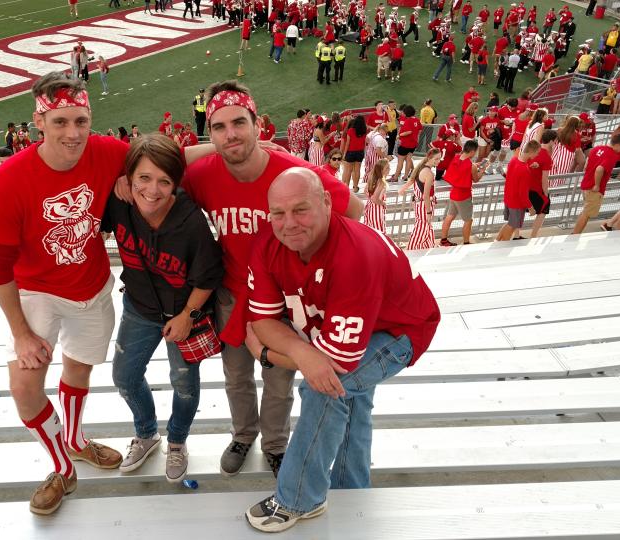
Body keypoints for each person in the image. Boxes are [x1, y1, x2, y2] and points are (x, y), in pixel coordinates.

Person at [0, 72, 217, 515]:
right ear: (39, 121)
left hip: (91, 288)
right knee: (24, 385)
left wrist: (234, 147)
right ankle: (61, 465)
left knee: (78, 373)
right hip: (36, 291)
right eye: (61, 121)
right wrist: (21, 332)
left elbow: (169, 160)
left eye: (81, 121)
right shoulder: (9, 180)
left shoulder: (105, 152)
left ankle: (76, 439)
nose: (73, 133)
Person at [179, 80, 362, 479]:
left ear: (258, 123)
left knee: (279, 378)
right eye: (219, 127)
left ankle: (275, 443)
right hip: (231, 292)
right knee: (236, 376)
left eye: (239, 123)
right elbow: (159, 163)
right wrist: (217, 148)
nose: (231, 134)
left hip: (283, 299)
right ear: (208, 134)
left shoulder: (294, 173)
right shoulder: (202, 174)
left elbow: (355, 210)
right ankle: (243, 434)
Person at [243, 167, 440, 533]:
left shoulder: (354, 255)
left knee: (325, 388)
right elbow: (263, 322)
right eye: (278, 213)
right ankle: (352, 489)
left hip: (399, 330)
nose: (288, 224)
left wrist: (271, 355)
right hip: (343, 329)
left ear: (327, 203)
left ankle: (299, 498)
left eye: (300, 210)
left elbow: (330, 366)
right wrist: (302, 354)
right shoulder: (269, 243)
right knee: (350, 394)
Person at [103, 134, 223, 482]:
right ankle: (146, 433)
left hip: (182, 313)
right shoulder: (119, 201)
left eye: (164, 181)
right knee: (123, 376)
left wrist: (188, 316)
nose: (152, 190)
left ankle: (177, 441)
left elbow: (207, 277)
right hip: (138, 307)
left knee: (183, 384)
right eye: (143, 178)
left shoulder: (191, 222)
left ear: (176, 182)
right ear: (129, 177)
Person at [572, 134, 620, 234]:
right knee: (586, 214)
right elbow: (599, 169)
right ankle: (575, 234)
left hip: (586, 184)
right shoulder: (612, 155)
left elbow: (586, 165)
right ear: (618, 144)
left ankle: (575, 232)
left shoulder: (597, 148)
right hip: (594, 189)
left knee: (585, 211)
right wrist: (597, 185)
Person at [440, 140, 485, 246]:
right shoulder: (471, 166)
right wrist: (482, 170)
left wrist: (474, 165)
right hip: (464, 196)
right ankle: (466, 242)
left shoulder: (456, 158)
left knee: (449, 216)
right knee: (468, 220)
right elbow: (476, 179)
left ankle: (443, 240)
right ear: (473, 151)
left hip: (454, 193)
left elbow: (462, 167)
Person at [400, 149, 442, 249]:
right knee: (422, 226)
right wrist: (428, 212)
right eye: (436, 159)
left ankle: (429, 245)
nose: (438, 161)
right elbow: (426, 195)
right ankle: (412, 248)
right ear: (429, 158)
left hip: (419, 203)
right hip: (424, 204)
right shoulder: (429, 173)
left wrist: (402, 189)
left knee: (426, 226)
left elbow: (411, 181)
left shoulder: (421, 168)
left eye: (439, 158)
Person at [497, 140, 539, 241]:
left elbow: (514, 176)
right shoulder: (525, 170)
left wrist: (530, 166)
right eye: (537, 152)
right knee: (512, 226)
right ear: (531, 152)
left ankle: (497, 241)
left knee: (509, 224)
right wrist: (530, 207)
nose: (537, 155)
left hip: (508, 198)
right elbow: (523, 194)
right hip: (517, 203)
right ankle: (503, 246)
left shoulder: (514, 160)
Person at [527, 130, 556, 239]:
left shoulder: (532, 150)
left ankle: (516, 235)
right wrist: (546, 193)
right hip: (536, 189)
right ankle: (533, 235)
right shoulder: (546, 157)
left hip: (525, 186)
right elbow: (545, 179)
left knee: (520, 212)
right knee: (543, 211)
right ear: (552, 141)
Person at [340, 114, 367, 191]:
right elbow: (364, 143)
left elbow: (348, 143)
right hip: (360, 152)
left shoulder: (350, 130)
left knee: (349, 170)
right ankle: (355, 187)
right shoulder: (364, 131)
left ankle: (347, 187)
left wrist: (344, 153)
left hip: (351, 152)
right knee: (357, 170)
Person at [363, 158, 388, 232]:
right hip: (377, 209)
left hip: (369, 207)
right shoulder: (381, 182)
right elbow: (375, 199)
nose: (389, 169)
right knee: (380, 233)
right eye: (387, 168)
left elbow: (365, 191)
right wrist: (383, 203)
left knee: (369, 232)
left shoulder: (372, 178)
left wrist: (371, 198)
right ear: (382, 170)